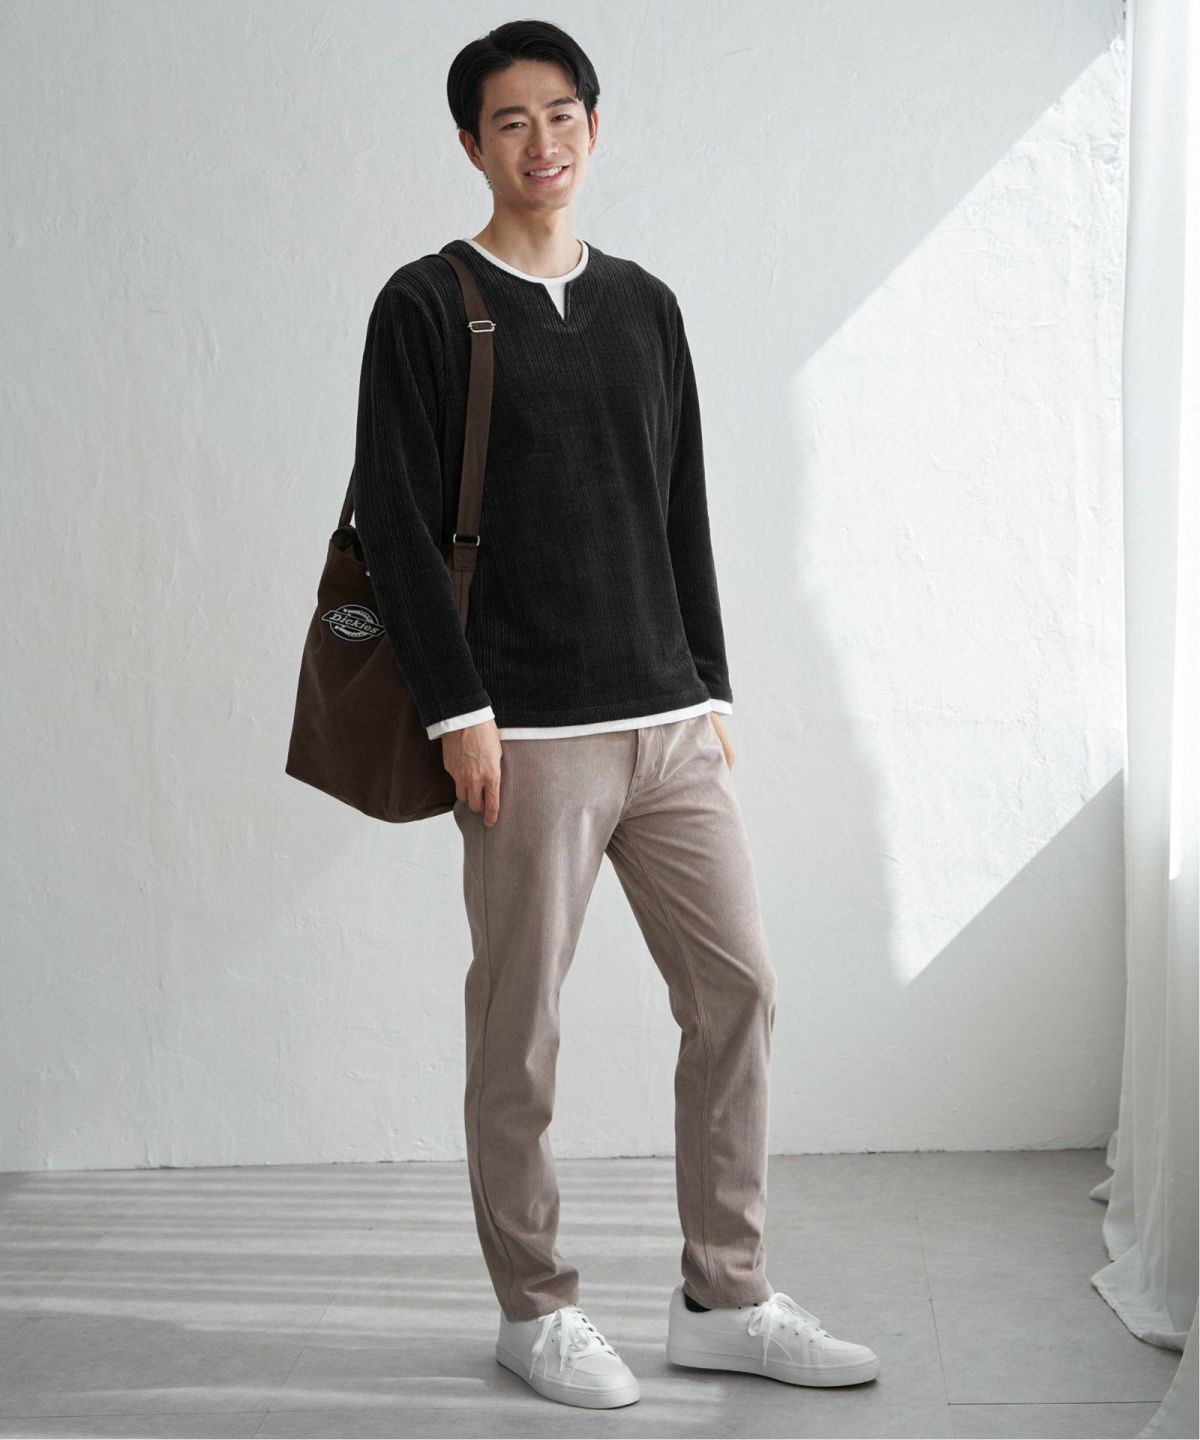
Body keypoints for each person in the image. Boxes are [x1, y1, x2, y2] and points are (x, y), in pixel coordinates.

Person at [352, 17, 881, 1410]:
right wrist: (456, 710)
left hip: (668, 721)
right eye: (512, 120)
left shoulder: (645, 304)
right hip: (522, 733)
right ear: (471, 144)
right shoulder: (425, 304)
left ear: (595, 125)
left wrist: (709, 681)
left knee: (739, 990)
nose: (544, 141)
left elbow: (679, 497)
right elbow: (394, 521)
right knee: (520, 1027)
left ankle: (725, 1295)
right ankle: (534, 1309)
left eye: (563, 113)